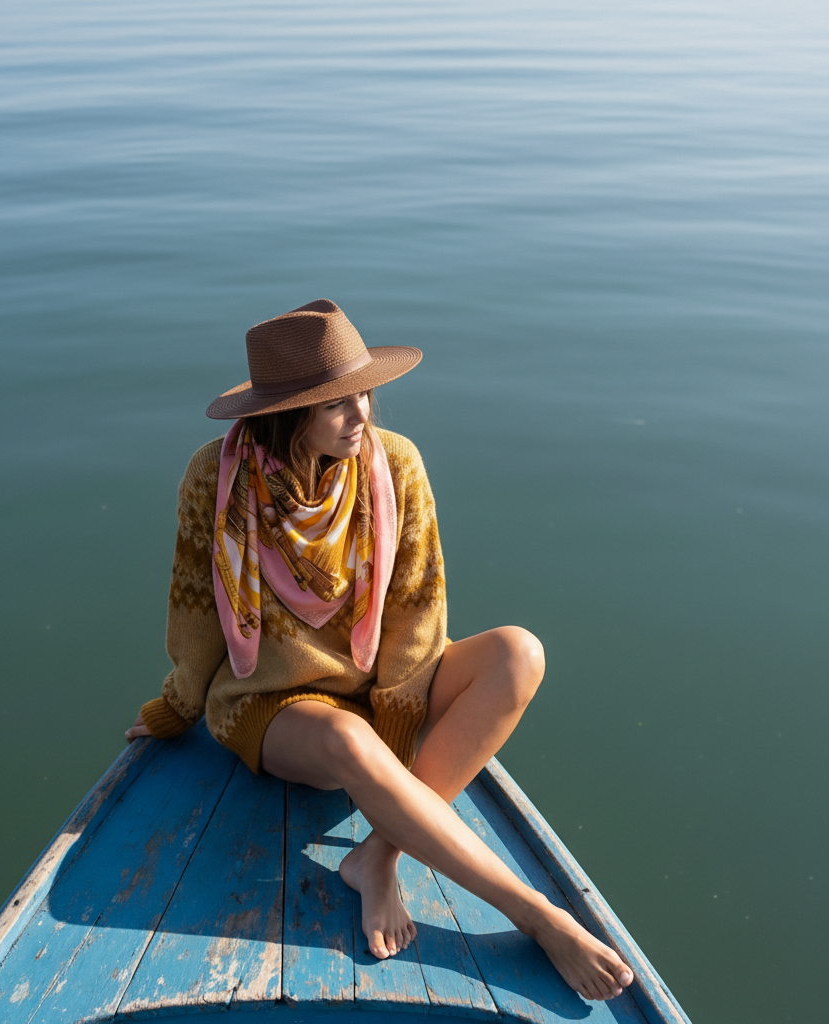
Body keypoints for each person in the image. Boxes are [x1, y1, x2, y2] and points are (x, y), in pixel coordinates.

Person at [126, 299, 634, 1002]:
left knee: (519, 653)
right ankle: (539, 916)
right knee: (349, 741)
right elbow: (195, 606)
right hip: (272, 702)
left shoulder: (394, 463)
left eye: (364, 393)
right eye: (337, 403)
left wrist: (396, 717)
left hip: (382, 682)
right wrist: (177, 707)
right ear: (287, 413)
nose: (361, 414)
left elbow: (419, 606)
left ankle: (380, 853)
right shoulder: (217, 477)